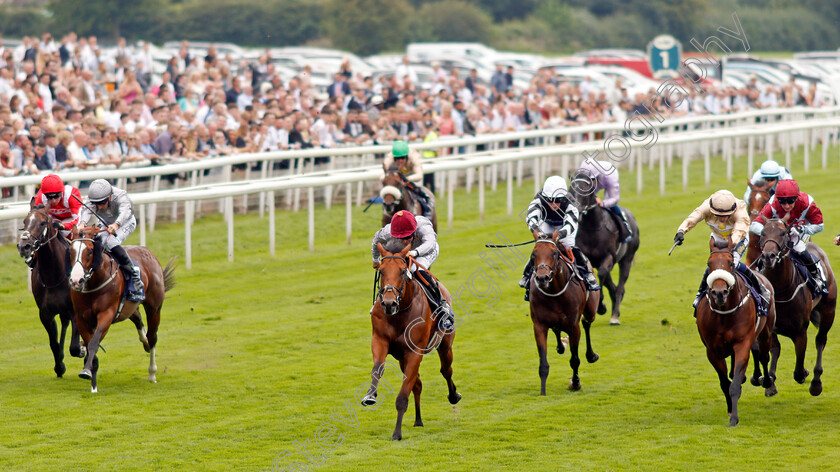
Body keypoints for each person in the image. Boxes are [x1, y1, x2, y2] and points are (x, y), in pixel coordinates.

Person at [674, 189, 771, 312]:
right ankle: (700, 295)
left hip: (737, 239)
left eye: (726, 216)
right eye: (718, 216)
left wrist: (730, 245)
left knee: (733, 263)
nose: (722, 219)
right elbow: (694, 217)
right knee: (714, 264)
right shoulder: (707, 205)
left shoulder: (740, 209)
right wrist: (681, 231)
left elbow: (740, 231)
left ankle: (761, 290)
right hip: (717, 237)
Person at [519, 176, 601, 300]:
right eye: (549, 200)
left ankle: (588, 274)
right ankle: (527, 277)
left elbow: (570, 224)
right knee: (541, 248)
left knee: (569, 247)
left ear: (563, 198)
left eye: (557, 200)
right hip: (546, 223)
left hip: (565, 226)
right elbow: (531, 217)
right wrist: (537, 232)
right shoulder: (539, 198)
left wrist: (559, 236)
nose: (553, 204)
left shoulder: (571, 202)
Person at [371, 211, 453, 331]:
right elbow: (375, 241)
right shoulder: (387, 231)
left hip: (426, 250)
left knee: (415, 269)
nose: (405, 241)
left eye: (408, 237)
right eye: (401, 238)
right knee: (389, 268)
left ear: (414, 230)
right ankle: (379, 302)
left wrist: (414, 253)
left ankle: (442, 307)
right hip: (404, 252)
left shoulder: (423, 226)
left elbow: (430, 243)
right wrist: (375, 259)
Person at [750, 179, 828, 296]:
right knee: (768, 250)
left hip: (799, 231)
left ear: (797, 198)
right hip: (778, 233)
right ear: (777, 199)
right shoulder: (773, 203)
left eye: (790, 201)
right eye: (782, 201)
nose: (786, 205)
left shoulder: (807, 203)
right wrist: (770, 233)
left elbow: (819, 225)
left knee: (799, 248)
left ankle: (817, 276)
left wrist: (803, 229)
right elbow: (754, 225)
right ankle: (759, 277)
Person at [77, 179, 145, 302]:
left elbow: (125, 212)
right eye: (96, 203)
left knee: (110, 242)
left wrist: (116, 225)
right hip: (105, 223)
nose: (99, 207)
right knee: (97, 243)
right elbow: (86, 210)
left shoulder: (121, 196)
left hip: (125, 222)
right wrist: (82, 223)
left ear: (110, 196)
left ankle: (134, 276)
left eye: (102, 203)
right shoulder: (95, 198)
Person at [574, 159, 633, 243]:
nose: (591, 182)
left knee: (610, 206)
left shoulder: (610, 177)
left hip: (607, 178)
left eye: (592, 179)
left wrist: (602, 203)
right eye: (588, 179)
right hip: (596, 177)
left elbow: (615, 199)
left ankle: (625, 228)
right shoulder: (582, 175)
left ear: (597, 176)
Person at [381, 140, 433, 218]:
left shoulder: (414, 157)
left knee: (424, 195)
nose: (400, 161)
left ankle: (427, 213)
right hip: (396, 182)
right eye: (397, 158)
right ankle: (387, 214)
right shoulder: (389, 159)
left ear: (407, 156)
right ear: (394, 157)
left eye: (402, 158)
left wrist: (406, 179)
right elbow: (382, 176)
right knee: (388, 198)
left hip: (410, 179)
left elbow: (419, 175)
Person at [32, 174, 82, 240]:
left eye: (56, 196)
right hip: (53, 219)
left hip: (71, 219)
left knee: (64, 232)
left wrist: (64, 226)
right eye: (49, 197)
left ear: (62, 192)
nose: (53, 201)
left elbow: (78, 220)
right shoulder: (40, 198)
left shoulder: (72, 195)